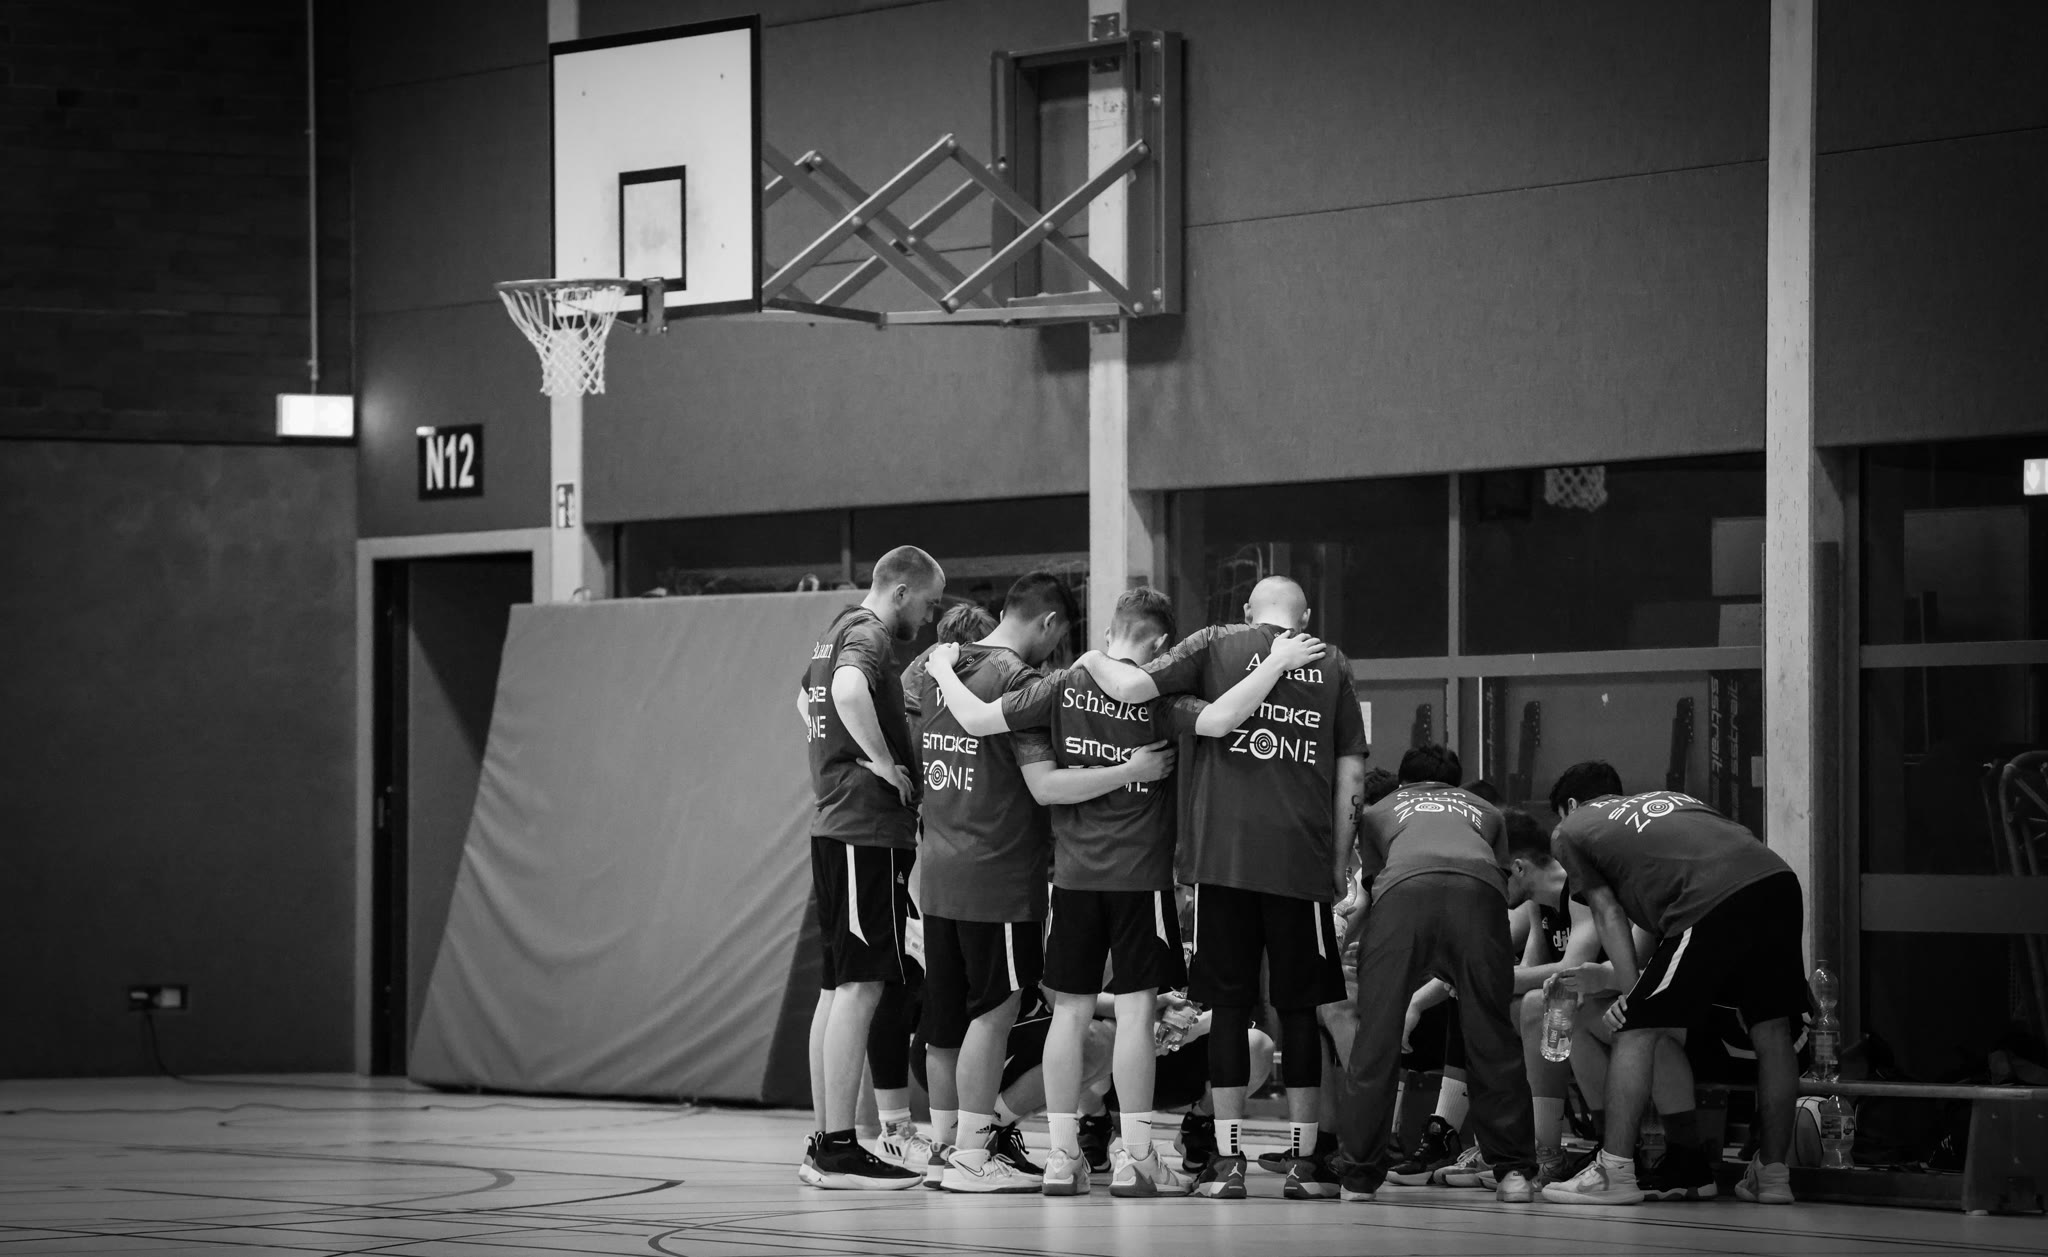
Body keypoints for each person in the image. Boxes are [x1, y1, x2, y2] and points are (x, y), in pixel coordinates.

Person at [928, 586, 1327, 1197]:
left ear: (1109, 628)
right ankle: (1137, 1157)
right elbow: (1223, 719)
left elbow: (978, 720)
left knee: (1070, 1012)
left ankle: (1061, 1157)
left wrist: (939, 668)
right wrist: (1275, 664)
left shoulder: (1060, 684)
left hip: (1073, 880)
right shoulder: (1163, 700)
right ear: (1162, 642)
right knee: (1137, 1014)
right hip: (1141, 881)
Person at [1077, 575, 1369, 1201]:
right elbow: (1351, 770)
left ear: (1246, 610)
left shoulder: (1213, 642)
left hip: (1220, 864)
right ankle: (1307, 1165)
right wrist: (1340, 861)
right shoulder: (1332, 662)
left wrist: (1087, 656)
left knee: (1230, 1011)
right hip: (1301, 864)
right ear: (1304, 617)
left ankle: (1228, 1163)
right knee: (1300, 1011)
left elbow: (1132, 685)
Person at [1513, 761, 1805, 1207]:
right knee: (1772, 1029)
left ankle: (1614, 1171)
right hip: (1777, 881)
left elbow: (1608, 913)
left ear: (1570, 807)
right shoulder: (1669, 804)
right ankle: (1773, 1174)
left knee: (1635, 1026)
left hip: (1712, 895)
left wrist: (1633, 998)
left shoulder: (1570, 831)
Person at [905, 572, 1078, 1193]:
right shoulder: (1019, 684)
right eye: (1058, 638)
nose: (1055, 651)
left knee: (944, 1020)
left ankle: (943, 1147)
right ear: (1049, 623)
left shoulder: (935, 667)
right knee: (993, 1014)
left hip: (937, 873)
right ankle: (975, 1153)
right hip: (998, 876)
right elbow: (1044, 784)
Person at [794, 546, 946, 1189]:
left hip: (838, 828)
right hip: (865, 831)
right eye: (929, 603)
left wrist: (840, 757)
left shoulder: (833, 629)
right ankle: (836, 1147)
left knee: (837, 989)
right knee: (859, 987)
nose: (930, 617)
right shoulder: (870, 634)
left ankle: (826, 1141)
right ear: (902, 591)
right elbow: (847, 690)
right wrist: (883, 762)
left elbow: (804, 701)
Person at [1335, 745, 1538, 1204]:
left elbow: (1372, 889)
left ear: (1404, 782)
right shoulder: (1487, 811)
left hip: (1404, 896)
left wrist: (1345, 942)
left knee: (1377, 1036)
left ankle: (1358, 1178)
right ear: (1456, 784)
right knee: (1491, 1034)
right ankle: (1514, 1174)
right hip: (1478, 897)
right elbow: (1499, 884)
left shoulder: (1380, 810)